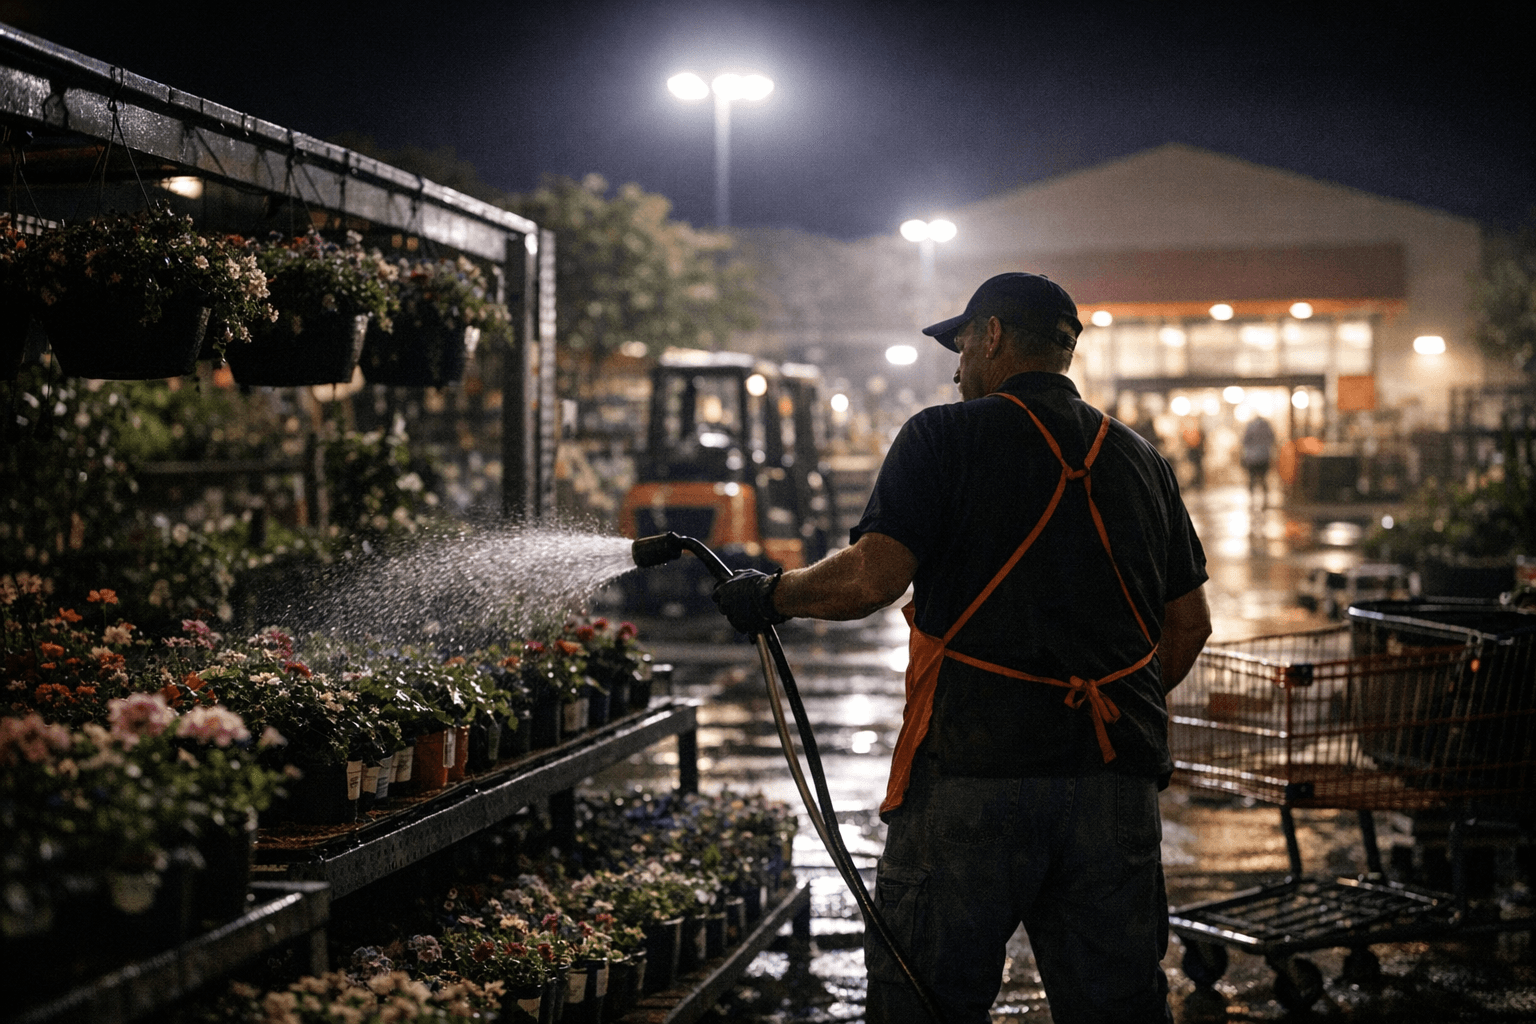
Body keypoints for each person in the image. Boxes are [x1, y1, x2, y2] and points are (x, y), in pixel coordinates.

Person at [713, 272, 1212, 1024]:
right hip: (1113, 783)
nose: (955, 370)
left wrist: (771, 594)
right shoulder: (1142, 460)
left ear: (993, 336)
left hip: (972, 777)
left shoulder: (940, 437)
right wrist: (1100, 704)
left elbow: (872, 579)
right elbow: (1190, 625)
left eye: (961, 347)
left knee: (926, 1004)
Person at [1241, 414, 1276, 510]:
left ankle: (1252, 501)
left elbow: (1244, 441)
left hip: (1252, 457)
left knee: (1252, 479)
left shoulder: (1250, 426)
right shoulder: (1267, 426)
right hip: (1264, 456)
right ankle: (1265, 500)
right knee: (1263, 479)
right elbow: (1272, 440)